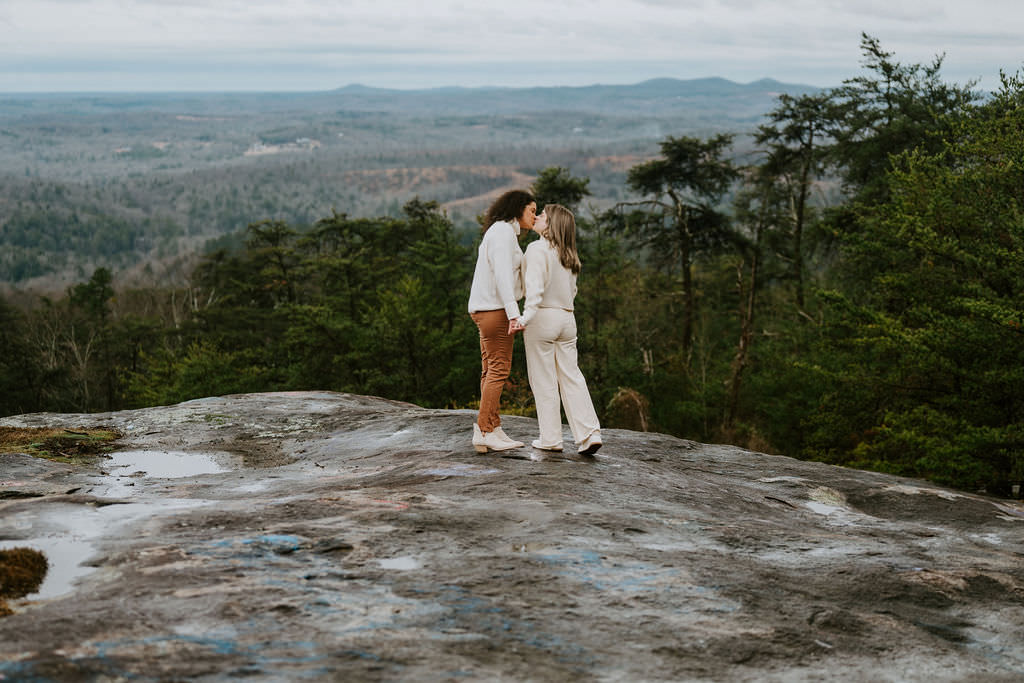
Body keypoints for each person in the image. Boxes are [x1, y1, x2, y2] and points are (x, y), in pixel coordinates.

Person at [513, 204, 602, 456]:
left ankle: (551, 439)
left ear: (551, 225)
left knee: (544, 380)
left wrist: (524, 318)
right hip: (567, 319)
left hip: (542, 317)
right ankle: (589, 434)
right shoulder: (570, 255)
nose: (538, 217)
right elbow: (572, 292)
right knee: (572, 376)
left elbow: (534, 288)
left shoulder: (537, 249)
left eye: (543, 215)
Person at [468, 189, 537, 452]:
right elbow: (503, 277)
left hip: (488, 309)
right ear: (518, 209)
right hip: (495, 310)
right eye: (531, 210)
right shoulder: (502, 233)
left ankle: (492, 427)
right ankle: (485, 430)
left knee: (489, 370)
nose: (534, 215)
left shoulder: (501, 232)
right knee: (498, 370)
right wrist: (513, 314)